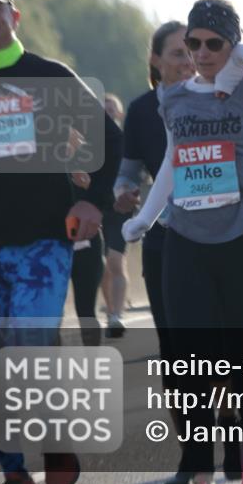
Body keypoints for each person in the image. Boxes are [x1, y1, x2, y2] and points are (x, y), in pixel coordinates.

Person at [0, 0, 122, 484]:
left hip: (42, 243)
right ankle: (13, 473)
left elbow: (108, 141)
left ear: (15, 17)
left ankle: (53, 440)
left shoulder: (48, 76)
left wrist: (96, 199)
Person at [123, 0, 243, 484]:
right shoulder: (174, 97)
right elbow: (174, 159)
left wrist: (235, 63)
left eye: (214, 42)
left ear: (231, 43)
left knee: (239, 360)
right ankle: (198, 465)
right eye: (194, 43)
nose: (202, 51)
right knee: (191, 360)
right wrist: (147, 216)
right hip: (186, 241)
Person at [100, 93, 131, 337]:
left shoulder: (127, 141)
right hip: (96, 207)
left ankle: (116, 315)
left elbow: (137, 171)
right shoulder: (88, 142)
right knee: (102, 266)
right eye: (103, 109)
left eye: (111, 109)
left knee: (115, 260)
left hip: (120, 207)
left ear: (118, 114)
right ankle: (110, 309)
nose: (108, 112)